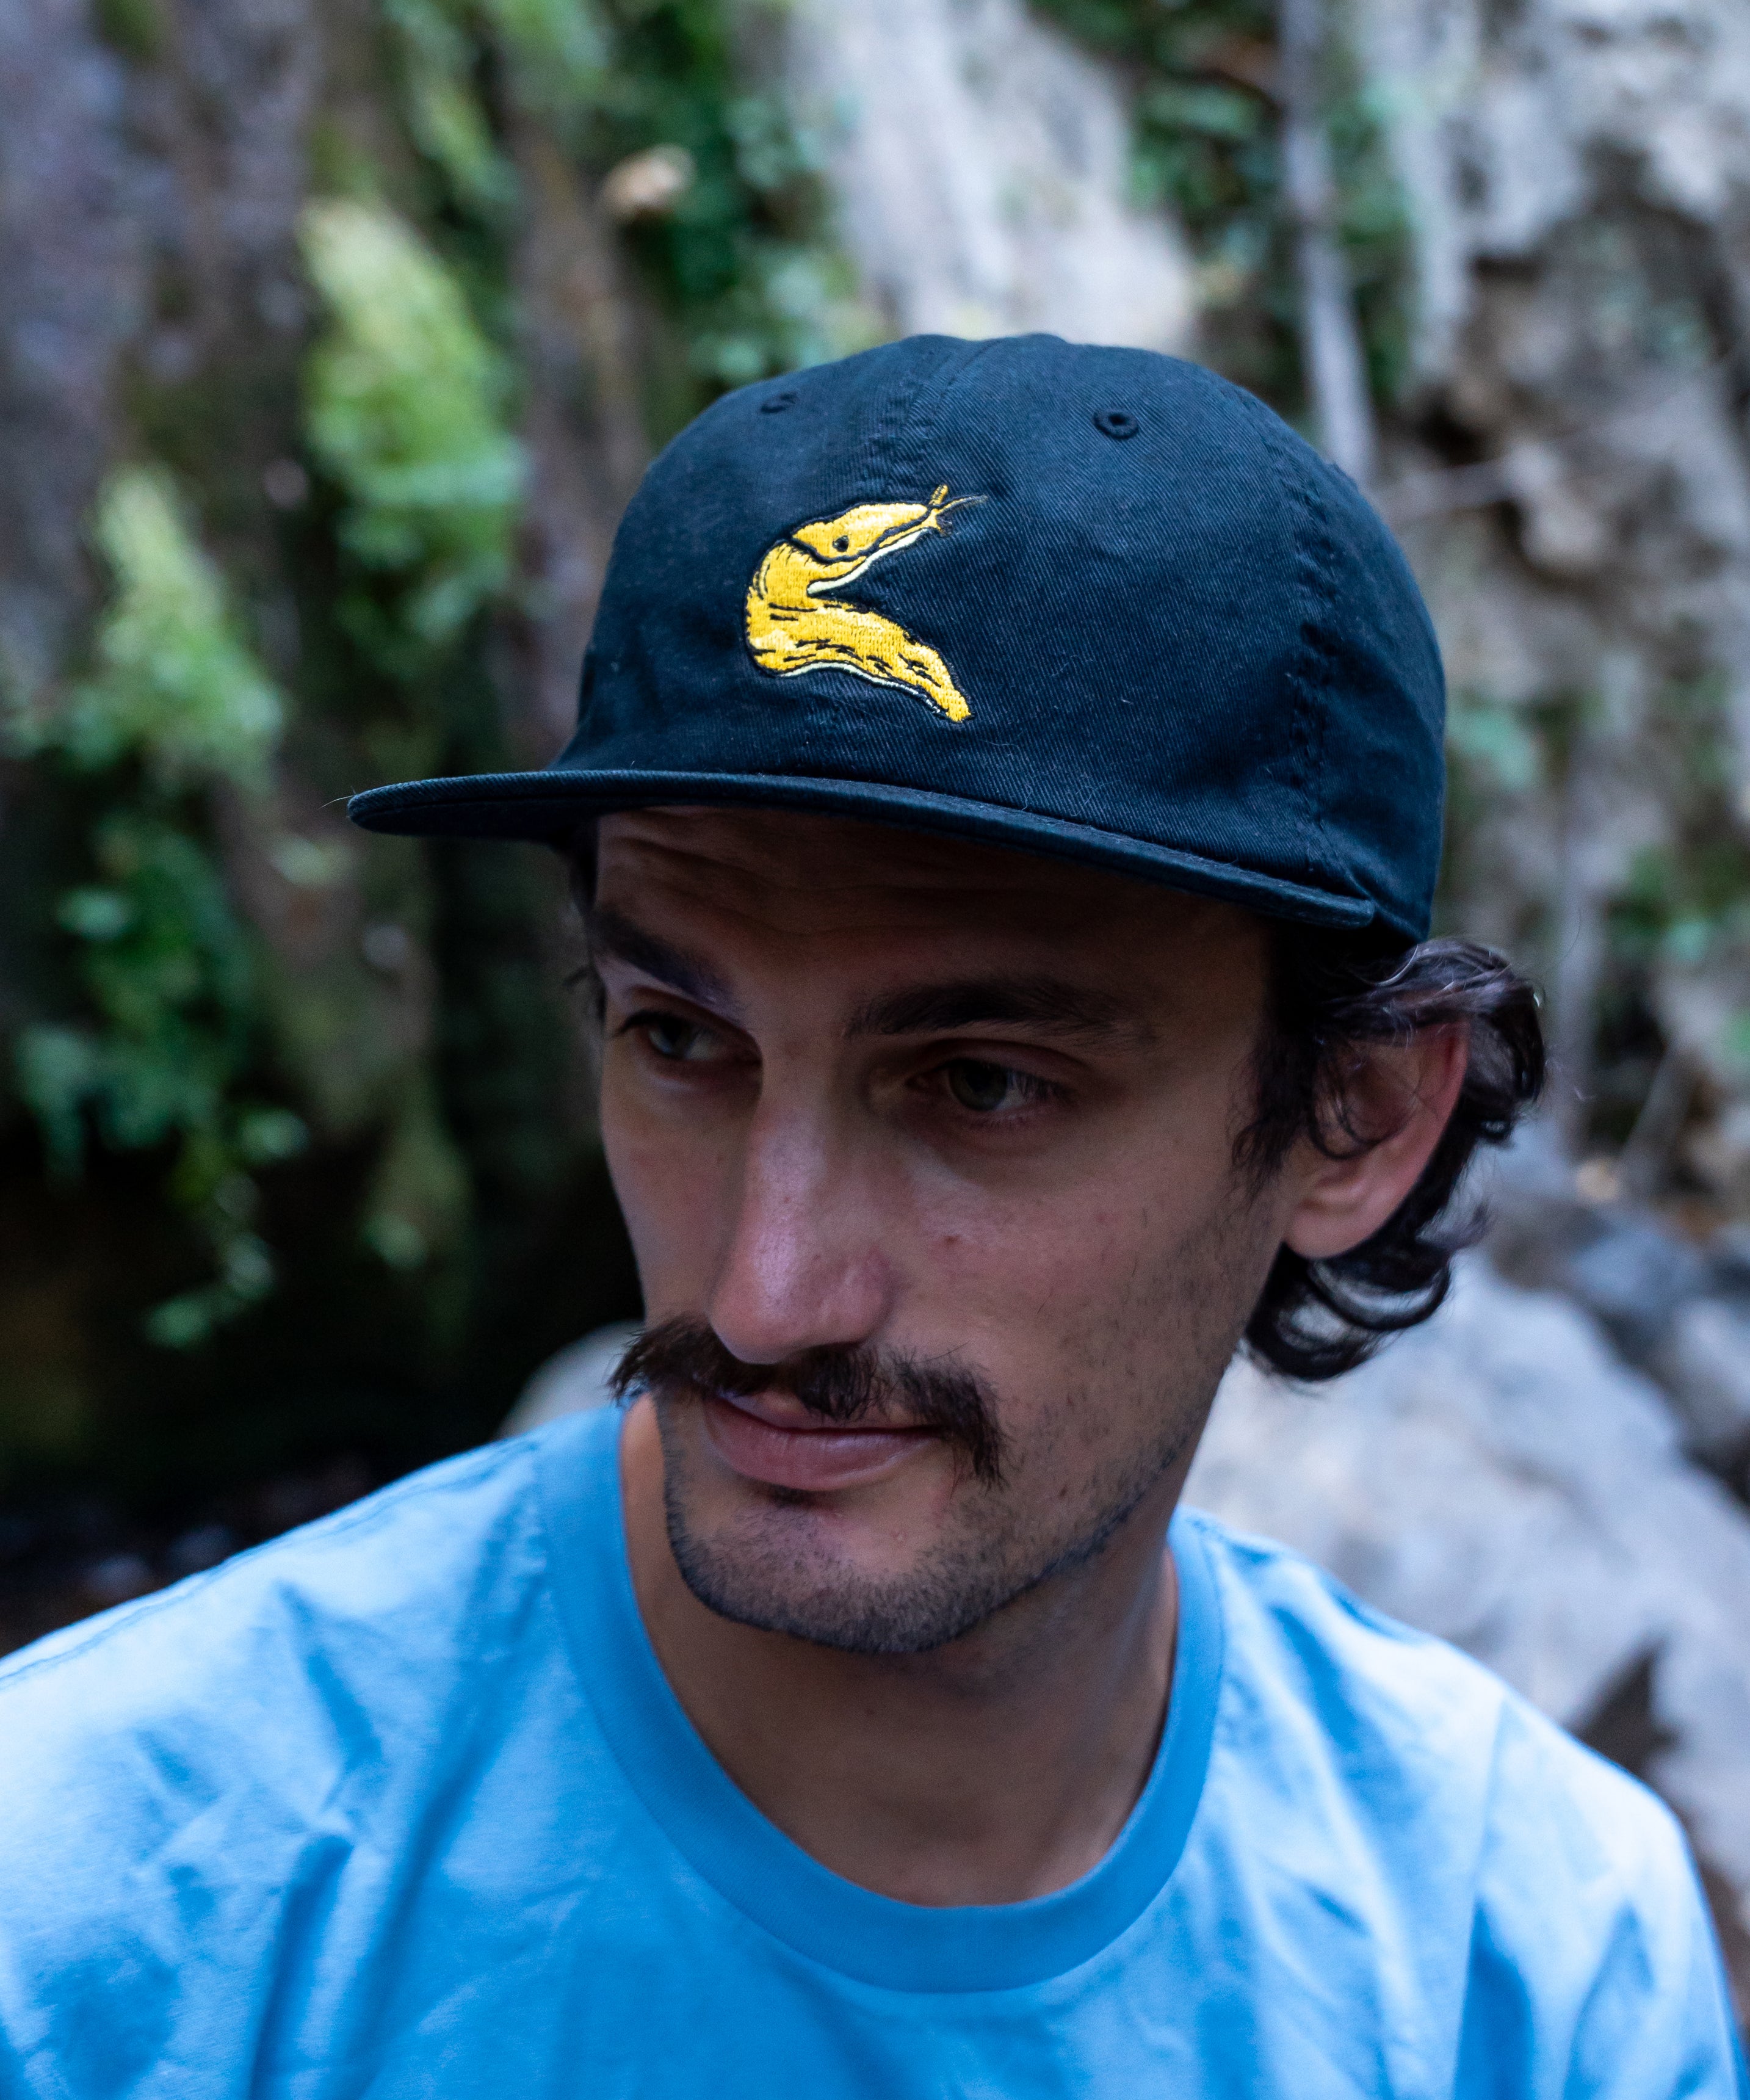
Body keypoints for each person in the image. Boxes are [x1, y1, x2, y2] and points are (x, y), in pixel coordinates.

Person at [1, 335, 1742, 2098]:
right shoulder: (87, 1922)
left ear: (1357, 1114)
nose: (763, 1298)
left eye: (982, 1084)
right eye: (680, 1040)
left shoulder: (1528, 1974)